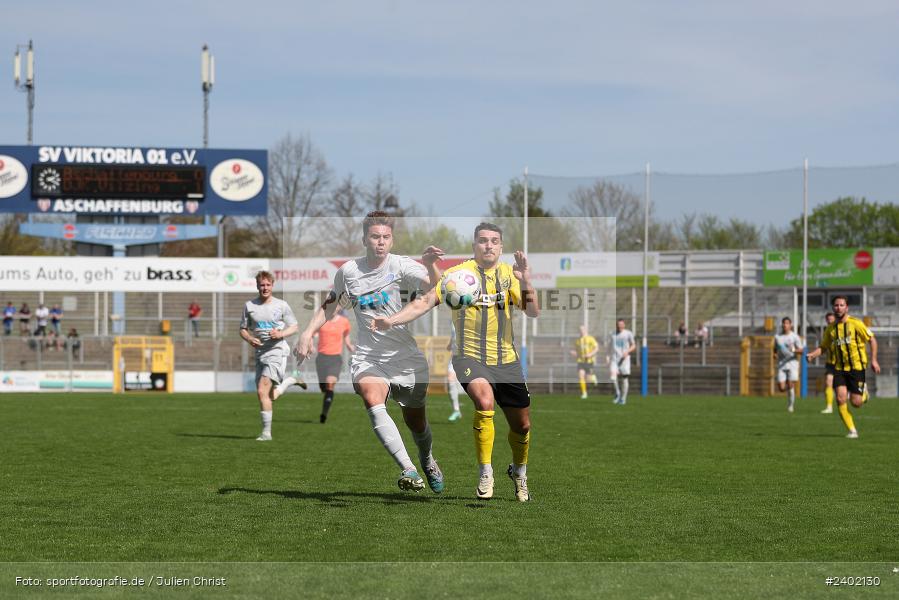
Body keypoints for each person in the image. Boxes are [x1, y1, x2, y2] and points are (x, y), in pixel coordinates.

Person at [373, 221, 540, 502]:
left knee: (522, 426)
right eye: (483, 240)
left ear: (500, 246)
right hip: (469, 356)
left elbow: (533, 311)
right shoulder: (456, 275)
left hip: (506, 360)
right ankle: (486, 472)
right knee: (484, 402)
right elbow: (424, 302)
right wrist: (391, 320)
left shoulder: (510, 276)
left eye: (494, 241)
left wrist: (525, 280)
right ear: (474, 244)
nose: (489, 245)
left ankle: (520, 473)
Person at [295, 211, 446, 493]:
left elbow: (433, 289)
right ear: (365, 238)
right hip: (368, 356)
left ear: (392, 240)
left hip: (405, 358)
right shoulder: (349, 272)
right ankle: (409, 469)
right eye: (375, 237)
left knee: (417, 422)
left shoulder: (401, 265)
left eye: (386, 237)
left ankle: (426, 459)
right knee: (371, 397)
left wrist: (429, 265)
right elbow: (330, 305)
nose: (380, 242)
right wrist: (306, 333)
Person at [239, 271, 306, 441]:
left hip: (277, 351)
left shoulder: (281, 305)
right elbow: (243, 329)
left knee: (262, 389)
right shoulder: (249, 306)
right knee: (267, 396)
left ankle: (266, 433)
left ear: (272, 285)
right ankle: (291, 381)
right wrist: (249, 338)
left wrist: (281, 333)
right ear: (257, 286)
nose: (265, 288)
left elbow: (295, 326)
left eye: (268, 284)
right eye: (262, 285)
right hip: (260, 352)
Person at [806, 296, 880, 439]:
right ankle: (852, 431)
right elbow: (824, 346)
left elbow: (872, 339)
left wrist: (874, 360)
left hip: (857, 368)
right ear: (833, 308)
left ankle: (864, 394)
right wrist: (813, 355)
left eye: (841, 305)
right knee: (840, 399)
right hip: (839, 369)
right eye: (836, 305)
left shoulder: (856, 324)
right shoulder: (831, 329)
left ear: (847, 308)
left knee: (856, 403)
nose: (838, 308)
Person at [283, 308, 353, 424]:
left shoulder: (344, 321)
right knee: (323, 388)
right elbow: (311, 334)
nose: (334, 308)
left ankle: (324, 414)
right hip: (321, 358)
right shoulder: (321, 321)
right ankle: (326, 399)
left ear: (339, 308)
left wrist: (349, 345)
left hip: (335, 358)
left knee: (330, 384)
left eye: (336, 306)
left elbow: (346, 335)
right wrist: (310, 344)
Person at [773, 317, 803, 413]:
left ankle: (790, 406)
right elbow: (775, 347)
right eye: (783, 323)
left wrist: (793, 350)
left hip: (792, 363)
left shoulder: (795, 337)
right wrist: (775, 353)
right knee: (781, 388)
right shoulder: (778, 337)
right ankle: (789, 387)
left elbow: (801, 350)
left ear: (790, 325)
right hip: (782, 363)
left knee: (790, 384)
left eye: (787, 323)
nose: (785, 325)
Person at [610, 319, 637, 405]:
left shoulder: (628, 333)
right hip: (614, 358)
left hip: (625, 359)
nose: (620, 326)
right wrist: (607, 356)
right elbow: (609, 345)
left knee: (624, 378)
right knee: (613, 377)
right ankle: (617, 393)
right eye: (618, 325)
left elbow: (633, 345)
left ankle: (623, 398)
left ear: (624, 325)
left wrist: (627, 351)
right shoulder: (612, 334)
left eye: (621, 324)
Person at [571, 324, 599, 399]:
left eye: (583, 329)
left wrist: (590, 354)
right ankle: (584, 393)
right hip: (581, 361)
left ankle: (593, 377)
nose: (581, 331)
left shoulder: (590, 338)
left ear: (586, 330)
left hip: (589, 361)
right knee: (581, 376)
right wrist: (574, 353)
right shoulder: (577, 341)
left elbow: (596, 348)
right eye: (580, 330)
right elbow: (576, 351)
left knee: (588, 379)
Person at [821, 312, 836, 414]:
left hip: (843, 363)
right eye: (828, 320)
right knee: (828, 382)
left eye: (832, 319)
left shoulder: (841, 329)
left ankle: (863, 389)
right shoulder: (826, 331)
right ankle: (829, 407)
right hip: (830, 362)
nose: (830, 321)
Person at [446, 328, 462, 422]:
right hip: (455, 357)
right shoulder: (454, 320)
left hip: (469, 356)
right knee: (450, 381)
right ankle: (456, 410)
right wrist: (450, 345)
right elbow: (454, 335)